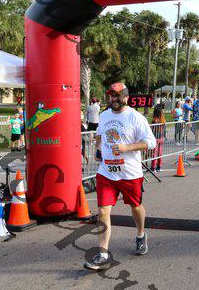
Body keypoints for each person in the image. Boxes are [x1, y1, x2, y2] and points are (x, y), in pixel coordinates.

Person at [84, 82, 156, 271]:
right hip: (106, 173)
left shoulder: (136, 117)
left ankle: (140, 234)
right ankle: (103, 254)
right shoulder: (104, 115)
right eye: (111, 95)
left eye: (117, 95)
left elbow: (151, 142)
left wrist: (127, 147)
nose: (113, 99)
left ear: (126, 97)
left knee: (135, 207)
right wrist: (98, 148)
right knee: (103, 211)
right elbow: (100, 135)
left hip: (130, 174)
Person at [150, 107, 165, 172]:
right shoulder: (163, 120)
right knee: (160, 153)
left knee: (154, 153)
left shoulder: (155, 120)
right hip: (161, 137)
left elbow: (152, 129)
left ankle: (153, 167)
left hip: (155, 138)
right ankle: (159, 166)